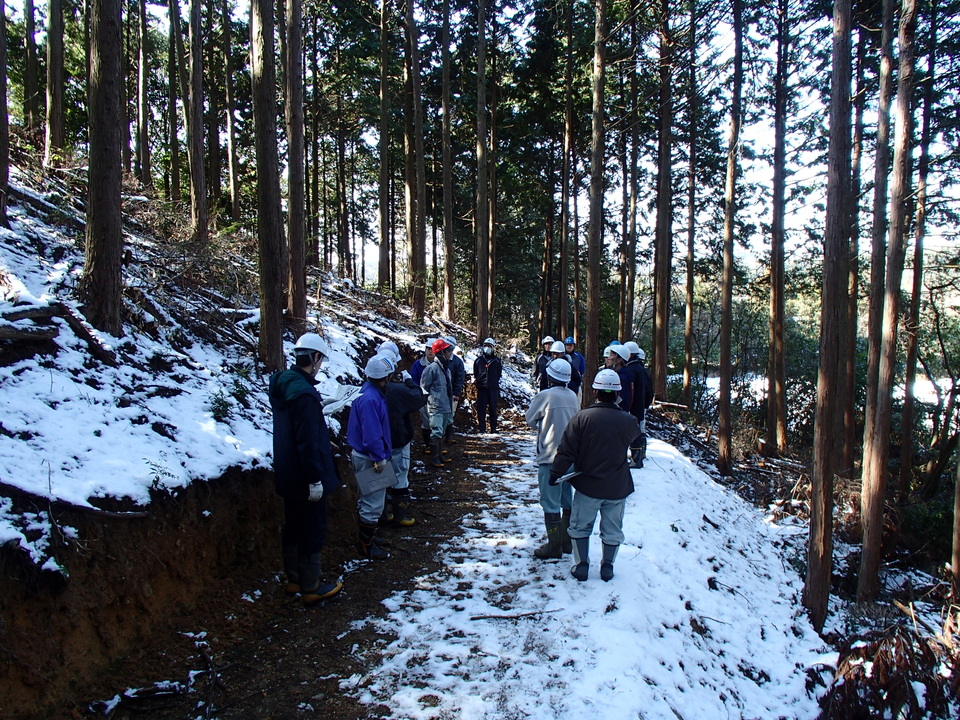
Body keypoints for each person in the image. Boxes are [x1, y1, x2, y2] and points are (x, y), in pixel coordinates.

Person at [268, 332, 343, 606]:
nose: (320, 365)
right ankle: (311, 585)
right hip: (305, 476)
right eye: (320, 359)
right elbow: (308, 441)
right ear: (314, 357)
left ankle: (294, 579)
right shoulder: (304, 395)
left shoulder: (285, 385)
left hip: (287, 473)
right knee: (312, 527)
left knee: (293, 526)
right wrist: (314, 479)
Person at [549, 368, 640, 582]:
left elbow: (566, 451)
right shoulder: (628, 421)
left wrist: (555, 473)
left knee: (580, 526)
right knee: (613, 528)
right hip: (617, 486)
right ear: (618, 393)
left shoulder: (582, 418)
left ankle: (581, 565)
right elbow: (638, 443)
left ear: (595, 392)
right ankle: (607, 566)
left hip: (588, 485)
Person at [525, 358, 580, 559]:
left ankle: (554, 545)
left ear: (550, 376)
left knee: (550, 502)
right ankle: (566, 543)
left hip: (549, 457)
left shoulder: (544, 396)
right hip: (569, 458)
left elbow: (530, 419)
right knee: (567, 499)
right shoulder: (573, 397)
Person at [346, 354, 395, 560]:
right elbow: (372, 432)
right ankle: (366, 545)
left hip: (368, 454)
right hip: (370, 457)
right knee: (373, 502)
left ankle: (370, 538)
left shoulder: (369, 393)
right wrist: (378, 456)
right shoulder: (371, 399)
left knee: (372, 499)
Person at [379, 342, 427, 526]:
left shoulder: (368, 390)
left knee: (380, 477)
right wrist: (408, 381)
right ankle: (400, 515)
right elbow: (418, 397)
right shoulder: (398, 390)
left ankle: (383, 514)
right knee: (400, 475)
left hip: (379, 443)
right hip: (399, 438)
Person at [420, 337, 455, 467]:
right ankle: (434, 458)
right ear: (441, 353)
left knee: (442, 431)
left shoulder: (446, 369)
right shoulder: (432, 369)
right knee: (436, 431)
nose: (450, 353)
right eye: (448, 351)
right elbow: (424, 387)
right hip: (436, 406)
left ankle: (440, 454)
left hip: (446, 405)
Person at [624, 341, 654, 468]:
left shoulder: (631, 370)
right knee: (639, 432)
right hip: (639, 406)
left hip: (633, 407)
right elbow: (649, 391)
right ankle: (639, 456)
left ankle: (636, 459)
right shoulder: (641, 370)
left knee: (634, 434)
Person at [473, 337, 502, 434]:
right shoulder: (478, 360)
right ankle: (482, 428)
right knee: (481, 409)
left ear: (493, 347)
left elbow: (498, 374)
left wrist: (493, 382)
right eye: (486, 346)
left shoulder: (497, 361)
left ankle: (493, 428)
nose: (487, 348)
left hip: (493, 388)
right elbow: (476, 372)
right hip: (482, 388)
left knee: (493, 409)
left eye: (489, 346)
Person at [409, 339, 435, 448]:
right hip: (423, 397)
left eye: (433, 349)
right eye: (428, 349)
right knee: (426, 420)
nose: (430, 352)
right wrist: (419, 390)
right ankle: (428, 444)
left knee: (437, 422)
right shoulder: (418, 364)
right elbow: (413, 379)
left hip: (436, 397)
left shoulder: (440, 364)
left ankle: (437, 445)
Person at [442, 335, 466, 445]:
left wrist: (456, 393)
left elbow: (459, 379)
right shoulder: (439, 360)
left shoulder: (457, 362)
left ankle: (448, 436)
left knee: (450, 415)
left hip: (451, 393)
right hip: (440, 393)